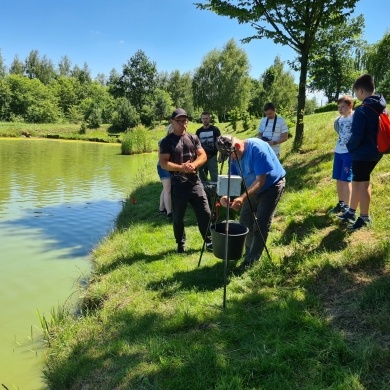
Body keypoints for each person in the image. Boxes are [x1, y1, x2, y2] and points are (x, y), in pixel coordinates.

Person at [217, 135, 286, 270]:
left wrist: (241, 198)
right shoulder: (233, 154)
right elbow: (233, 178)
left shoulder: (256, 149)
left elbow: (261, 180)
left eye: (231, 156)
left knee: (260, 224)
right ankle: (249, 252)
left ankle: (252, 261)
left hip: (271, 186)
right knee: (245, 221)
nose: (231, 159)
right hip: (252, 188)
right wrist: (225, 195)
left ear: (237, 146)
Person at [159, 108, 212, 253]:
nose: (182, 123)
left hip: (195, 182)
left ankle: (209, 241)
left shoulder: (193, 138)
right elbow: (164, 163)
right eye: (179, 121)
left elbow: (203, 156)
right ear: (172, 121)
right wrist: (181, 168)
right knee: (178, 217)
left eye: (185, 120)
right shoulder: (166, 141)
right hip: (178, 184)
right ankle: (180, 243)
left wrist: (193, 165)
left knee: (205, 212)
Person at [337, 73, 386, 231]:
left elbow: (357, 134)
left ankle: (364, 217)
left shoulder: (363, 109)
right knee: (362, 182)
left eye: (356, 92)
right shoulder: (380, 106)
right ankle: (352, 212)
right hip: (377, 150)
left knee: (361, 184)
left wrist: (350, 147)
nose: (356, 95)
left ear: (360, 91)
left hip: (362, 153)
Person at [329, 95, 354, 214]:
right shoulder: (338, 120)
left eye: (343, 107)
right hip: (338, 151)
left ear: (350, 106)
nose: (340, 109)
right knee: (339, 179)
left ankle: (347, 207)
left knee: (346, 180)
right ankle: (341, 203)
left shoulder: (354, 117)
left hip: (348, 153)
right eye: (339, 107)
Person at [196, 112, 221, 182]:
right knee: (200, 173)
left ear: (209, 119)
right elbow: (196, 145)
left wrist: (221, 154)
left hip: (212, 156)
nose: (205, 120)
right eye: (203, 118)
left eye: (206, 118)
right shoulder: (198, 131)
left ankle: (216, 192)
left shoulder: (215, 129)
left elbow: (219, 143)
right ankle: (205, 189)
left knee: (214, 177)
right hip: (202, 157)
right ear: (201, 119)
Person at [157, 124, 173, 220]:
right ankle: (169, 212)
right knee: (168, 189)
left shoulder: (177, 140)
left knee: (166, 188)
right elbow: (161, 157)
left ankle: (161, 209)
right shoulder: (162, 141)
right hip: (163, 167)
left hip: (171, 167)